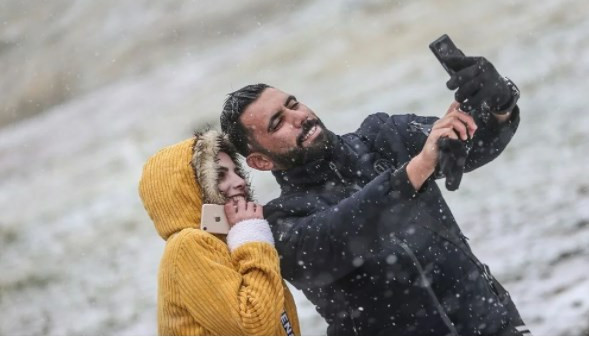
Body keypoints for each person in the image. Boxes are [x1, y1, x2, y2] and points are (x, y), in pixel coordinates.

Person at [220, 55, 531, 335]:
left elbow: (473, 144)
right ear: (261, 161)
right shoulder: (282, 223)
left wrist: (498, 104)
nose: (297, 116)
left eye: (293, 104)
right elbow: (341, 232)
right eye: (278, 122)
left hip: (494, 327)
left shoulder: (383, 135)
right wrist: (416, 169)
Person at [138, 130, 300, 335]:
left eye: (237, 171)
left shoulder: (231, 241)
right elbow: (253, 324)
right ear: (190, 189)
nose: (240, 181)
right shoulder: (189, 245)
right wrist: (252, 239)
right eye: (220, 175)